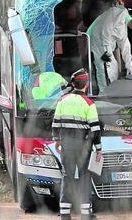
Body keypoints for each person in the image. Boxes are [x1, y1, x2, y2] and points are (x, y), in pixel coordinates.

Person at [52, 68, 101, 220]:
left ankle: (65, 214)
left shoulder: (62, 100)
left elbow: (56, 123)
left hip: (67, 144)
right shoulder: (89, 103)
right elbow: (95, 128)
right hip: (83, 145)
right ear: (86, 85)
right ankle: (86, 213)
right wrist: (98, 148)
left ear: (73, 84)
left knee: (67, 176)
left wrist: (57, 140)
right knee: (84, 176)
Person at [87, 0, 132, 92]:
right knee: (105, 68)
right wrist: (105, 51)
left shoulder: (123, 22)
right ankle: (104, 93)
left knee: (112, 68)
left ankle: (109, 91)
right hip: (97, 41)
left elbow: (125, 45)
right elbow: (105, 29)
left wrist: (130, 67)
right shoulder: (119, 13)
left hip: (103, 42)